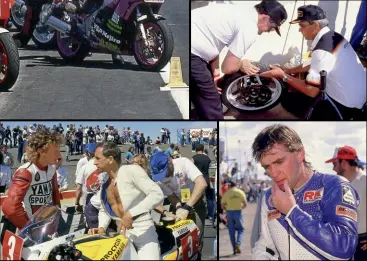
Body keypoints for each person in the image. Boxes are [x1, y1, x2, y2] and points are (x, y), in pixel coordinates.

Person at [251, 124, 359, 260]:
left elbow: (344, 247)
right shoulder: (269, 196)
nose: (273, 173)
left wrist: (292, 211)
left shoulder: (334, 185)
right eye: (267, 166)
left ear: (299, 154)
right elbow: (266, 246)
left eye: (279, 162)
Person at [261, 5, 366, 120]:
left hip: (346, 108)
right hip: (361, 96)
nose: (299, 29)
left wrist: (283, 76)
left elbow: (311, 91)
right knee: (306, 81)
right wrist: (289, 70)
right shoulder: (334, 36)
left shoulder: (322, 49)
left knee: (287, 100)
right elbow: (315, 63)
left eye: (302, 25)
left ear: (315, 25)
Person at [191, 0, 288, 119]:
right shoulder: (250, 27)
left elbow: (214, 39)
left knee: (199, 95)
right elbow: (228, 68)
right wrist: (241, 63)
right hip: (193, 53)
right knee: (212, 103)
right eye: (271, 28)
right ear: (265, 18)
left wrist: (215, 74)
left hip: (191, 42)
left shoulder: (238, 11)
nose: (267, 31)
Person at [91, 142, 164, 260]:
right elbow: (105, 209)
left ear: (110, 159)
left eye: (98, 158)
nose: (94, 162)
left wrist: (131, 214)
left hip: (143, 233)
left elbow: (157, 194)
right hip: (122, 236)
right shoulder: (104, 181)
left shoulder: (131, 170)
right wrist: (102, 228)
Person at [1, 129, 62, 242]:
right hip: (27, 233)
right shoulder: (26, 171)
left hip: (45, 227)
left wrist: (56, 217)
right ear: (41, 150)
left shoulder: (52, 168)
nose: (59, 155)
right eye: (55, 151)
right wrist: (29, 228)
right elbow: (10, 207)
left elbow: (55, 193)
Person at [150, 151, 208, 258]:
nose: (164, 177)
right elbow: (171, 196)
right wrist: (179, 207)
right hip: (180, 203)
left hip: (196, 201)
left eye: (165, 172)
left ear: (169, 162)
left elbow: (202, 183)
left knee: (197, 238)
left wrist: (187, 207)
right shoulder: (160, 179)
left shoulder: (184, 163)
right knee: (178, 238)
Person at [325, 146, 366, 260]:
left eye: (334, 164)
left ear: (344, 163)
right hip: (346, 245)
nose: (333, 169)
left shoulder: (365, 181)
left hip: (363, 246)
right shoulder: (341, 186)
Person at [221, 180, 247, 255]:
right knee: (240, 229)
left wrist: (228, 208)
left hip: (229, 213)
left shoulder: (226, 193)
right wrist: (239, 207)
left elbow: (222, 206)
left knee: (231, 232)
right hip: (238, 212)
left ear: (229, 186)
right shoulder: (240, 192)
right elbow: (245, 204)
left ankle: (234, 250)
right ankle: (238, 244)